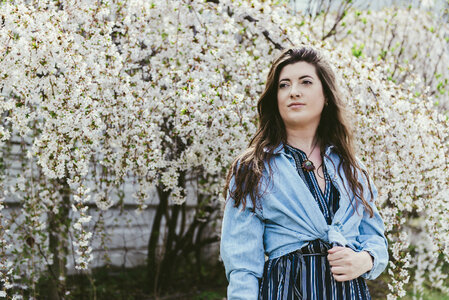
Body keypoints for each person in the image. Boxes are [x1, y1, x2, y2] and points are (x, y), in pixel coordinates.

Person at [219, 46, 389, 300]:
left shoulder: (353, 170)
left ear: (326, 95)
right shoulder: (253, 169)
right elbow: (242, 266)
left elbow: (375, 239)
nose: (293, 92)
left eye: (305, 82)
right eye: (283, 85)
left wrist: (364, 260)